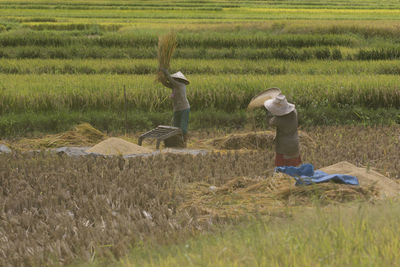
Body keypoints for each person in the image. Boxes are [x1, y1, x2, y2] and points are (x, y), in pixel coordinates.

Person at [264, 94, 301, 167]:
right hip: (295, 144)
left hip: (283, 147)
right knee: (294, 168)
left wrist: (269, 112)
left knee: (282, 171)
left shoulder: (278, 119)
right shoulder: (294, 112)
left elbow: (270, 122)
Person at [159, 68, 190, 146]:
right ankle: (177, 143)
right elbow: (166, 83)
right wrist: (161, 77)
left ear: (179, 80)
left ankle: (184, 142)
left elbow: (171, 81)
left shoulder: (180, 85)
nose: (174, 80)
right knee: (175, 127)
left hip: (184, 108)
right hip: (176, 109)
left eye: (175, 79)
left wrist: (166, 72)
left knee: (183, 128)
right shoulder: (174, 87)